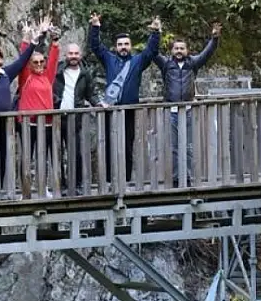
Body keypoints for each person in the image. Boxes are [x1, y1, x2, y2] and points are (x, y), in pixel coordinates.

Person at [0, 19, 50, 198]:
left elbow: (23, 60)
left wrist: (34, 41)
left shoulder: (6, 74)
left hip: (4, 123)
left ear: (1, 59)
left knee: (1, 156)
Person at [88, 13, 162, 183]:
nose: (123, 47)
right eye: (120, 44)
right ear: (115, 47)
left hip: (129, 110)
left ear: (131, 46)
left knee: (127, 147)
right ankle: (107, 182)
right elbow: (96, 47)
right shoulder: (109, 59)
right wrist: (95, 26)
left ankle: (126, 181)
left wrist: (156, 33)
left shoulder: (137, 61)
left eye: (126, 44)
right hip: (110, 109)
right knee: (108, 146)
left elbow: (151, 51)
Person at [153, 22, 222, 185]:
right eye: (176, 48)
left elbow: (207, 53)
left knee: (189, 146)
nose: (179, 51)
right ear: (171, 51)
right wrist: (156, 33)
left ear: (187, 50)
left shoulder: (192, 63)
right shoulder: (166, 64)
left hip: (189, 110)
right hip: (172, 110)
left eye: (182, 48)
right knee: (174, 147)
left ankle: (189, 177)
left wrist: (214, 38)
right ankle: (177, 178)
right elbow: (153, 53)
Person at [15, 20, 60, 197]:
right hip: (28, 124)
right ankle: (25, 191)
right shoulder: (25, 76)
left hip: (47, 123)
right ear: (31, 64)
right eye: (36, 62)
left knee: (44, 157)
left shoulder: (47, 76)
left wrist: (54, 41)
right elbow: (23, 57)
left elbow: (54, 60)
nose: (39, 65)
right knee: (26, 158)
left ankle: (43, 188)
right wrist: (27, 40)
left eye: (42, 62)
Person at [53, 42, 102, 193]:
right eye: (70, 54)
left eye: (76, 54)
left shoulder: (85, 73)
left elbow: (90, 93)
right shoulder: (57, 70)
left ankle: (77, 184)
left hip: (76, 117)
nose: (73, 57)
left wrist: (98, 103)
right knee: (56, 152)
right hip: (57, 116)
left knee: (76, 152)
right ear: (66, 55)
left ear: (80, 55)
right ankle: (60, 185)